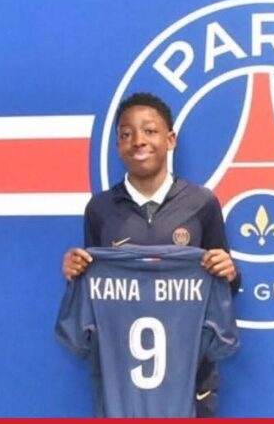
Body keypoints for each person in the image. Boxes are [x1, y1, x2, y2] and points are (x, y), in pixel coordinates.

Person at [62, 91, 240, 417]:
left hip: (190, 376)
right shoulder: (100, 208)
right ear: (118, 145)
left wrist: (228, 271)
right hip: (121, 382)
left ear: (170, 140)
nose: (138, 141)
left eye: (149, 131)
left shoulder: (201, 203)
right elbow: (94, 292)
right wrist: (75, 272)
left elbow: (227, 287)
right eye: (126, 134)